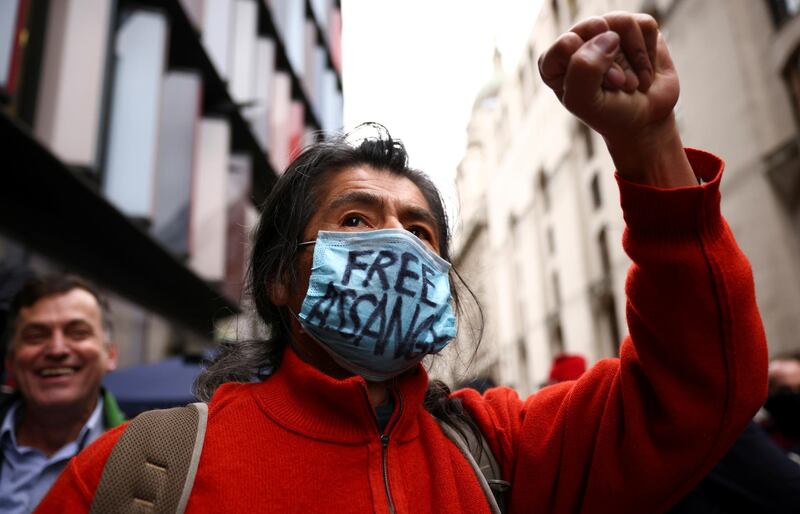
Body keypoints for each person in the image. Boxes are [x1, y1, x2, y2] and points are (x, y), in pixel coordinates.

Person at [38, 12, 768, 513]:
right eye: (356, 219)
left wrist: (648, 148)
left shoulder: (505, 451)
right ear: (282, 280)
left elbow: (696, 390)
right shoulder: (142, 471)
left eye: (420, 230)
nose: (397, 240)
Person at [1, 274, 125, 513]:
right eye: (36, 336)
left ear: (110, 355)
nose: (57, 349)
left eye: (77, 333)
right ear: (10, 360)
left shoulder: (146, 458)